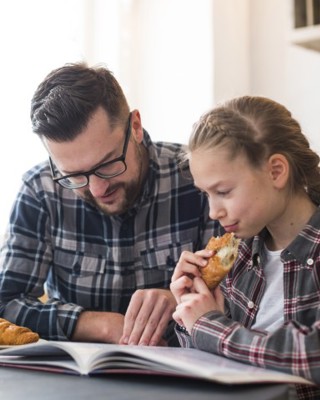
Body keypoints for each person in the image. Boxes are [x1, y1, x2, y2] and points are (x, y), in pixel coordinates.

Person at [0, 62, 220, 346]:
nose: (97, 188)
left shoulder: (197, 179)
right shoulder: (40, 190)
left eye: (107, 165)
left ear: (136, 127)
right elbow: (6, 303)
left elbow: (245, 295)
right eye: (74, 175)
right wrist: (97, 325)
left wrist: (181, 299)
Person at [170, 95, 320, 399]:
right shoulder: (237, 254)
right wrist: (191, 310)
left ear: (276, 171)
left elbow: (311, 356)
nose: (214, 212)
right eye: (206, 194)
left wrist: (209, 324)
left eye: (223, 191)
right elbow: (215, 360)